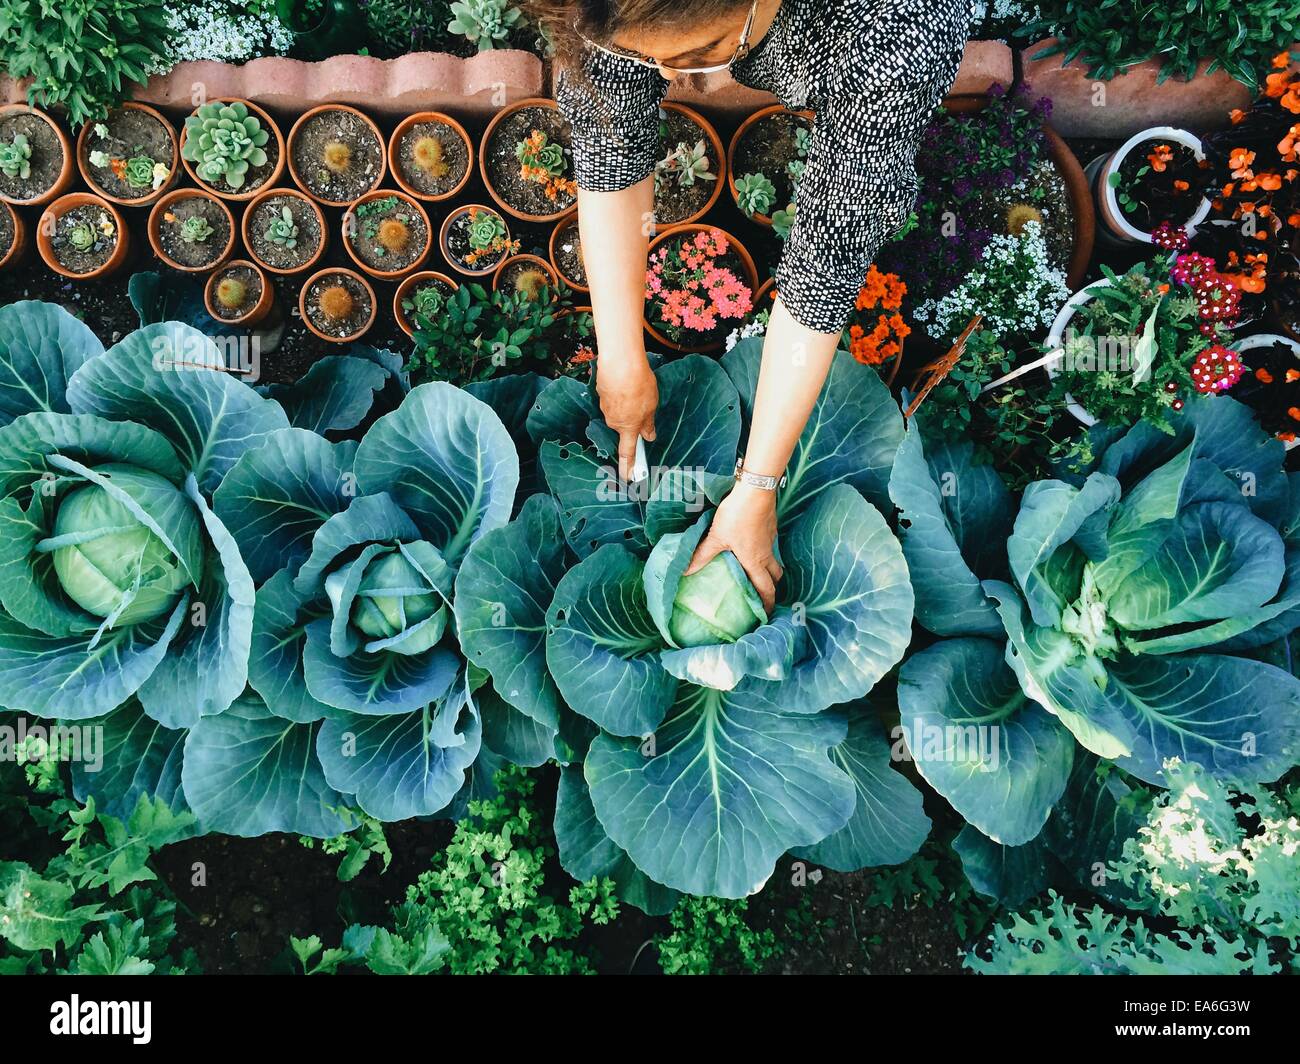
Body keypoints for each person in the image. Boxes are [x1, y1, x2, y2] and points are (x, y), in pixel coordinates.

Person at [533, 0, 970, 610]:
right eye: (639, 55)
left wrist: (759, 487)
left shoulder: (898, 29)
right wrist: (621, 358)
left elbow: (828, 260)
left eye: (692, 56)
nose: (669, 75)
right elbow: (609, 139)